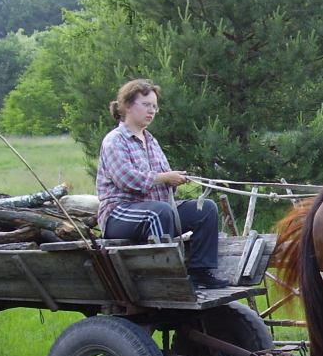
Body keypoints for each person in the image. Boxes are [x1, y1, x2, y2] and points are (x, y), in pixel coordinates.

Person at [96, 78, 228, 290]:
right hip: (119, 214)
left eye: (155, 107)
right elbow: (126, 180)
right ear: (128, 106)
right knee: (159, 212)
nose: (152, 111)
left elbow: (165, 176)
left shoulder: (151, 141)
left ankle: (200, 272)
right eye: (146, 105)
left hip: (159, 208)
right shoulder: (114, 140)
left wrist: (175, 179)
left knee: (206, 209)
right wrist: (164, 178)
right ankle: (166, 280)